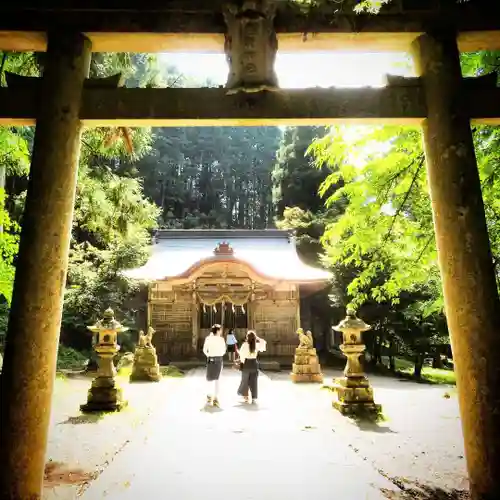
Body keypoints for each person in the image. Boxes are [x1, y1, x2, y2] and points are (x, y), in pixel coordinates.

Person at [237, 330, 266, 404]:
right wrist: (258, 338)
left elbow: (241, 355)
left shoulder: (244, 345)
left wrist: (242, 362)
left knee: (245, 381)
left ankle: (245, 397)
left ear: (247, 337)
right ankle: (253, 397)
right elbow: (264, 343)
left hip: (246, 363)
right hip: (254, 364)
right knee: (254, 381)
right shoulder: (256, 345)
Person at [203, 324, 226, 407]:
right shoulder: (221, 339)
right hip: (219, 359)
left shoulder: (208, 339)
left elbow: (205, 350)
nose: (221, 331)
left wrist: (209, 355)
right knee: (217, 379)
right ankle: (216, 398)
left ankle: (209, 396)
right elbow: (224, 350)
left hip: (210, 359)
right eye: (220, 330)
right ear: (218, 330)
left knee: (209, 378)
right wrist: (219, 354)